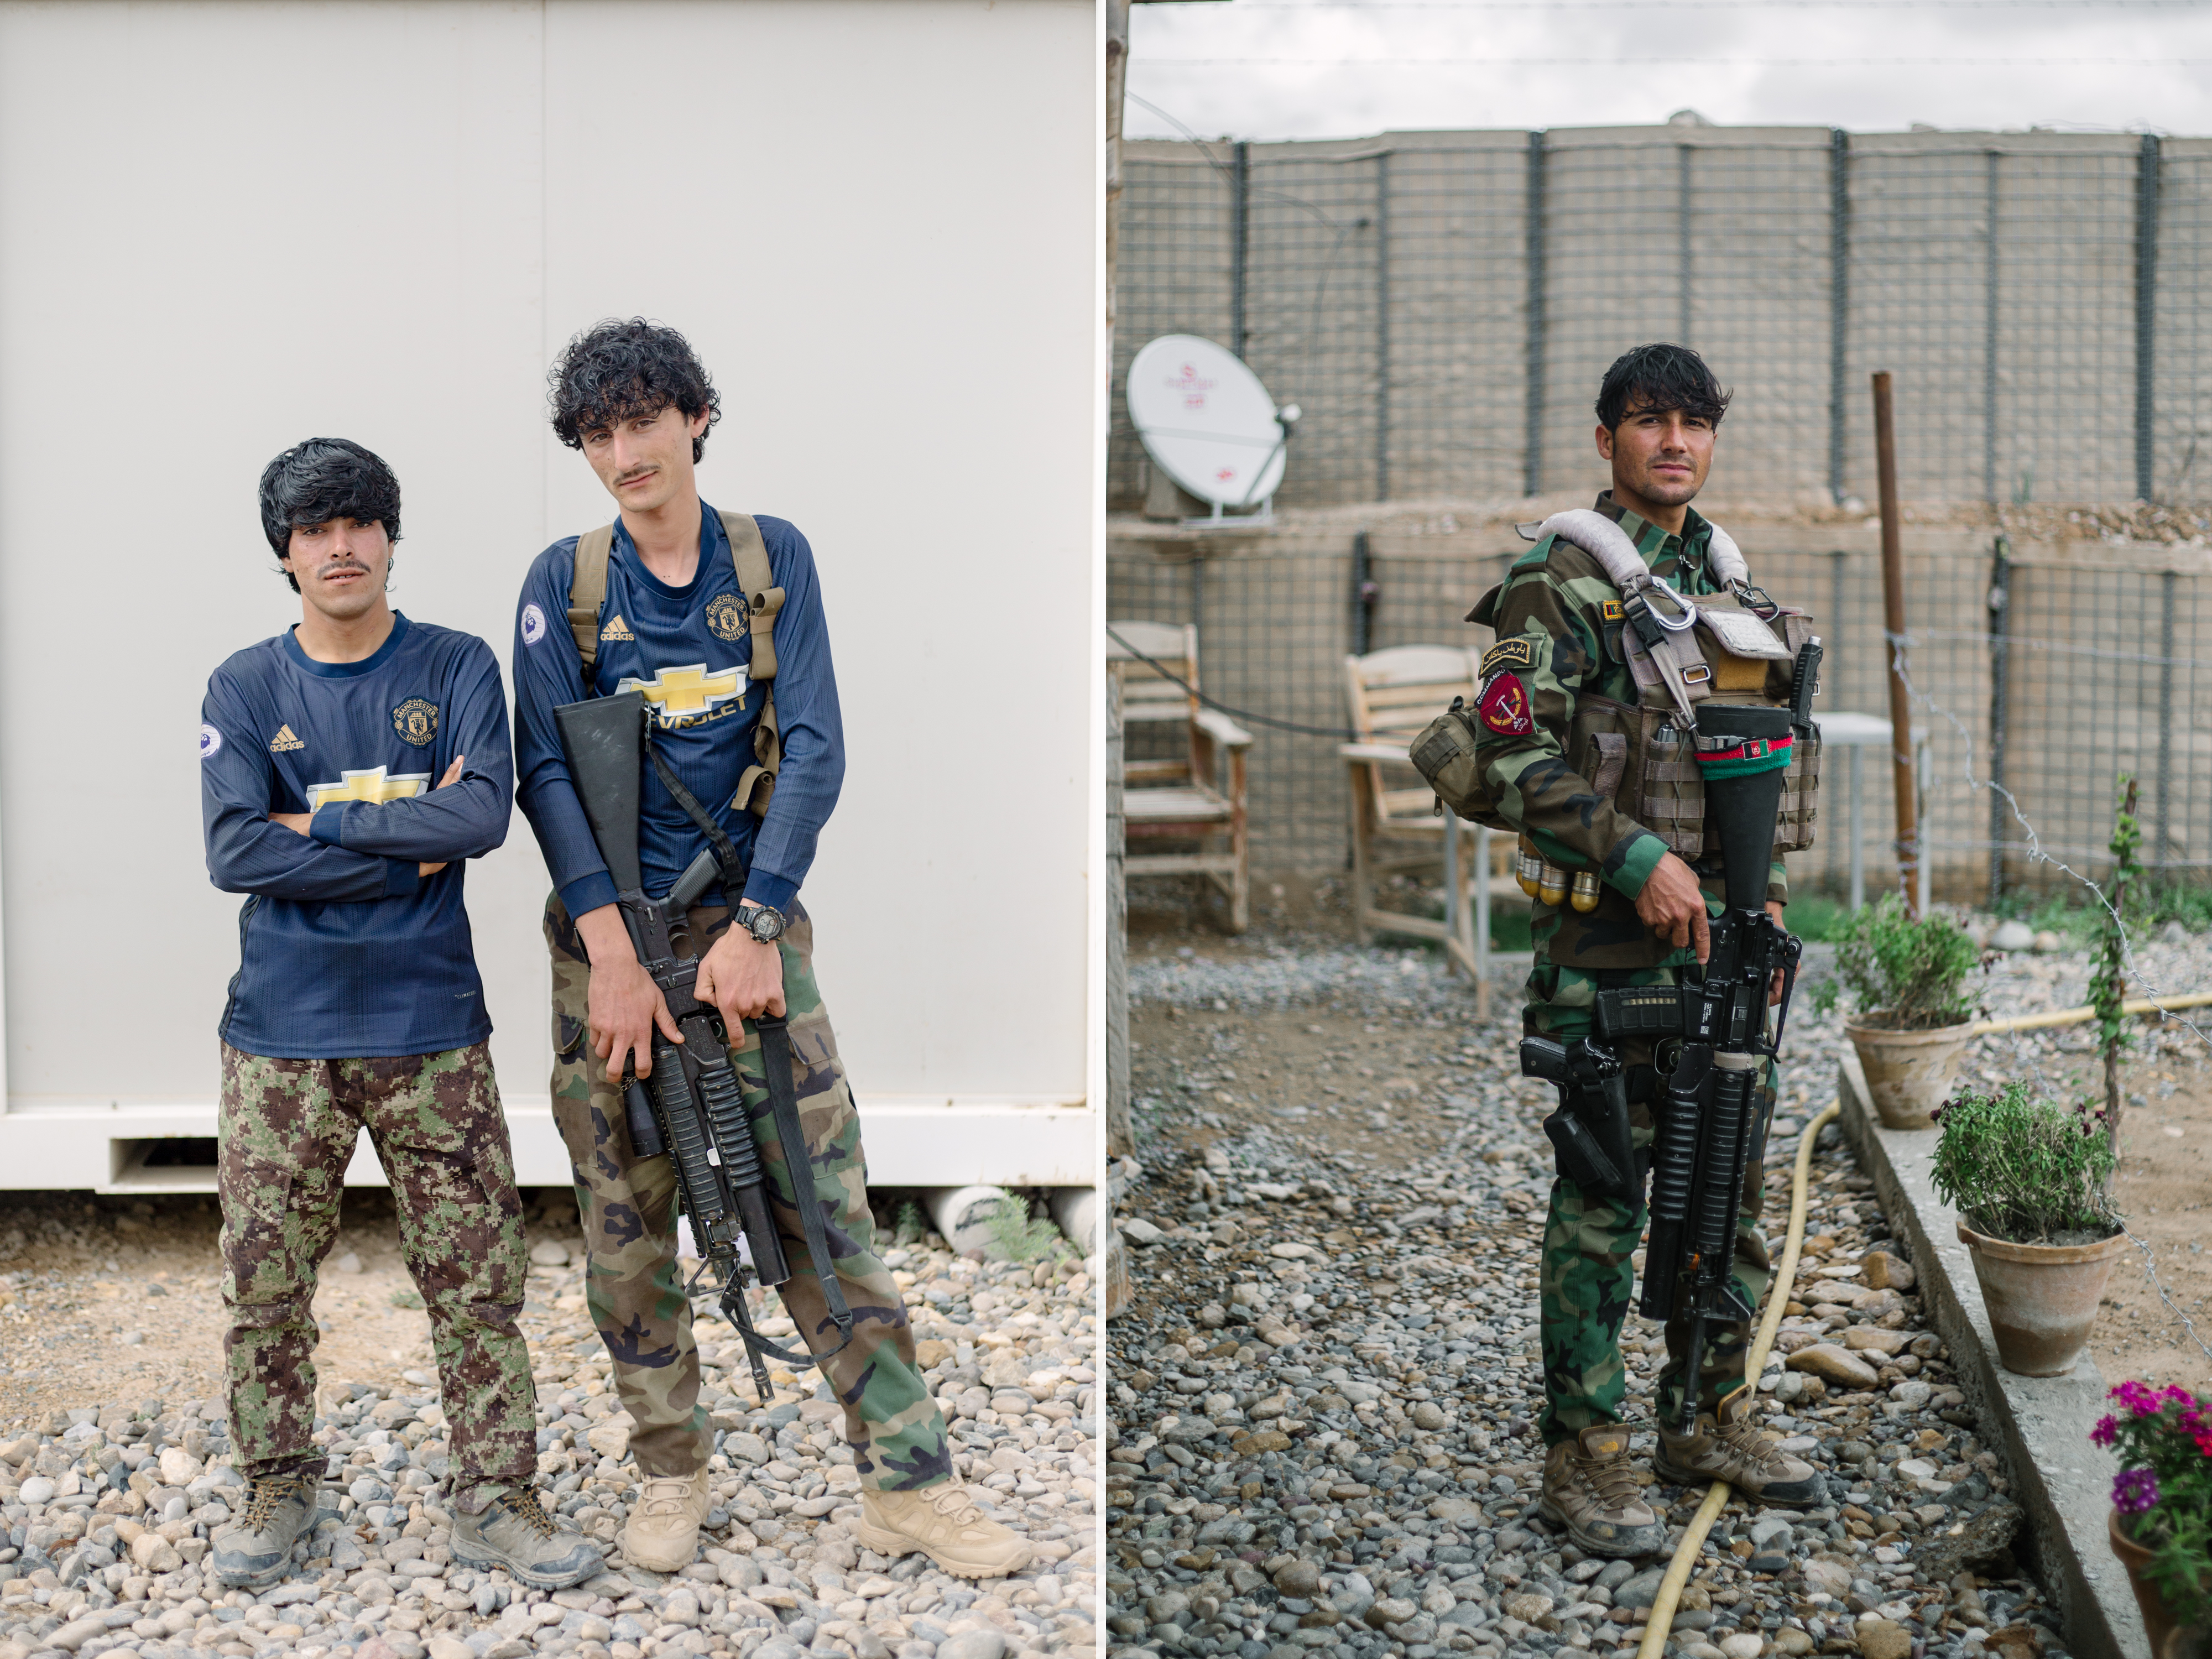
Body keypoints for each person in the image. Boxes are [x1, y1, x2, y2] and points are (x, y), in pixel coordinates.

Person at [512, 319, 1031, 1579]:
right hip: (611, 953)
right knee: (626, 1223)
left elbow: (814, 747)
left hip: (752, 937)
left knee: (821, 1203)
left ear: (696, 418)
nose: (626, 451)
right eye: (599, 433)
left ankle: (909, 1484)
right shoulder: (564, 584)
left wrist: (756, 927)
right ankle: (670, 1477)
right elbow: (543, 771)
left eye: (645, 421)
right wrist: (616, 956)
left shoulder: (769, 559)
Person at [199, 438, 598, 1591]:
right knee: (264, 1289)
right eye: (315, 528)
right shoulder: (245, 686)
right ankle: (278, 1489)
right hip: (282, 1038)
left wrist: (310, 832)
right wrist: (391, 848)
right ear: (284, 551)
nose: (340, 545)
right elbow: (230, 851)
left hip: (432, 1032)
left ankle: (497, 1498)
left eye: (359, 522)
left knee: (477, 1286)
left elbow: (477, 817)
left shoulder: (455, 664)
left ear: (388, 536)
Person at [1473, 344, 1822, 1558]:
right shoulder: (1556, 582)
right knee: (1603, 1197)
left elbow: (1750, 764)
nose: (1671, 440)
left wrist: (1763, 894)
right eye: (1646, 420)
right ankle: (1584, 1453)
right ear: (1606, 438)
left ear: (1711, 439)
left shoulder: (1723, 582)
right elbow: (1511, 755)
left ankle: (1705, 1414)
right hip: (1600, 951)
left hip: (1721, 949)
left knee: (1720, 1182)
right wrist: (1635, 861)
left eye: (1691, 422)